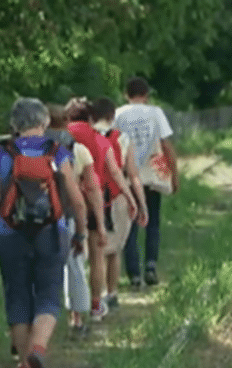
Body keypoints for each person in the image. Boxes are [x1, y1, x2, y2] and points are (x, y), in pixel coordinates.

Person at [0, 98, 87, 368]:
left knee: (18, 296)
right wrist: (81, 233)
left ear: (14, 125)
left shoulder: (4, 154)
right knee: (48, 292)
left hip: (10, 233)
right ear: (44, 122)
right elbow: (75, 197)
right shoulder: (57, 151)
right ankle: (38, 350)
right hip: (51, 231)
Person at [65, 98, 138, 320]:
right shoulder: (99, 139)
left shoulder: (64, 136)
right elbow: (115, 172)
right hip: (96, 200)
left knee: (73, 258)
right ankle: (96, 305)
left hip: (68, 199)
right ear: (90, 118)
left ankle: (75, 314)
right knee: (97, 256)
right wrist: (130, 197)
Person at [46, 104, 106, 333]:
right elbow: (91, 189)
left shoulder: (27, 148)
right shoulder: (77, 149)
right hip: (67, 215)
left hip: (31, 220)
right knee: (74, 266)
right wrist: (98, 224)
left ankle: (37, 323)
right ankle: (76, 319)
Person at [114, 76, 179, 287]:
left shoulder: (118, 115)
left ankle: (134, 274)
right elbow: (166, 145)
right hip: (152, 175)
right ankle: (150, 265)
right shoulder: (155, 113)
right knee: (152, 223)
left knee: (130, 225)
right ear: (147, 95)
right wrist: (174, 173)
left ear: (126, 94)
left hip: (127, 176)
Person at [90, 97, 148, 308]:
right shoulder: (122, 138)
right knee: (114, 250)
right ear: (112, 116)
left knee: (94, 251)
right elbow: (132, 175)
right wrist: (141, 203)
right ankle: (111, 293)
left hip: (91, 197)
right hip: (117, 196)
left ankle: (95, 296)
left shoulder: (84, 138)